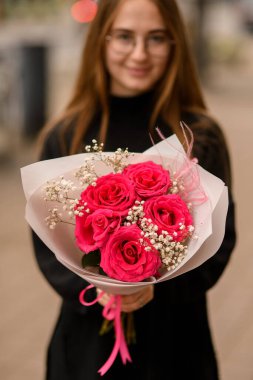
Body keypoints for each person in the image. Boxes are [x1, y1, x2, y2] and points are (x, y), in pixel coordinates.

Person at [32, 0, 236, 379]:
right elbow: (47, 249)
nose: (140, 54)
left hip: (176, 347)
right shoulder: (67, 133)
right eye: (125, 37)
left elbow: (220, 246)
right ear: (100, 40)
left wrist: (158, 288)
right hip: (86, 350)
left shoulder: (199, 135)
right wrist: (101, 289)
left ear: (175, 44)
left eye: (156, 38)